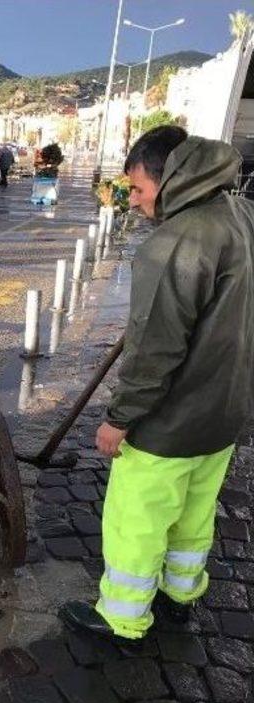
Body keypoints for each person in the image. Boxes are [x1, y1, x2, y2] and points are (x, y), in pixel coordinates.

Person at [60, 126, 254, 643]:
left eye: (140, 190)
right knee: (194, 510)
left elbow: (155, 350)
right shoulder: (241, 214)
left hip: (171, 421)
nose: (138, 203)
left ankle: (122, 618)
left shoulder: (175, 242)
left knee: (138, 518)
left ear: (170, 178)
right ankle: (181, 593)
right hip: (228, 411)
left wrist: (120, 418)